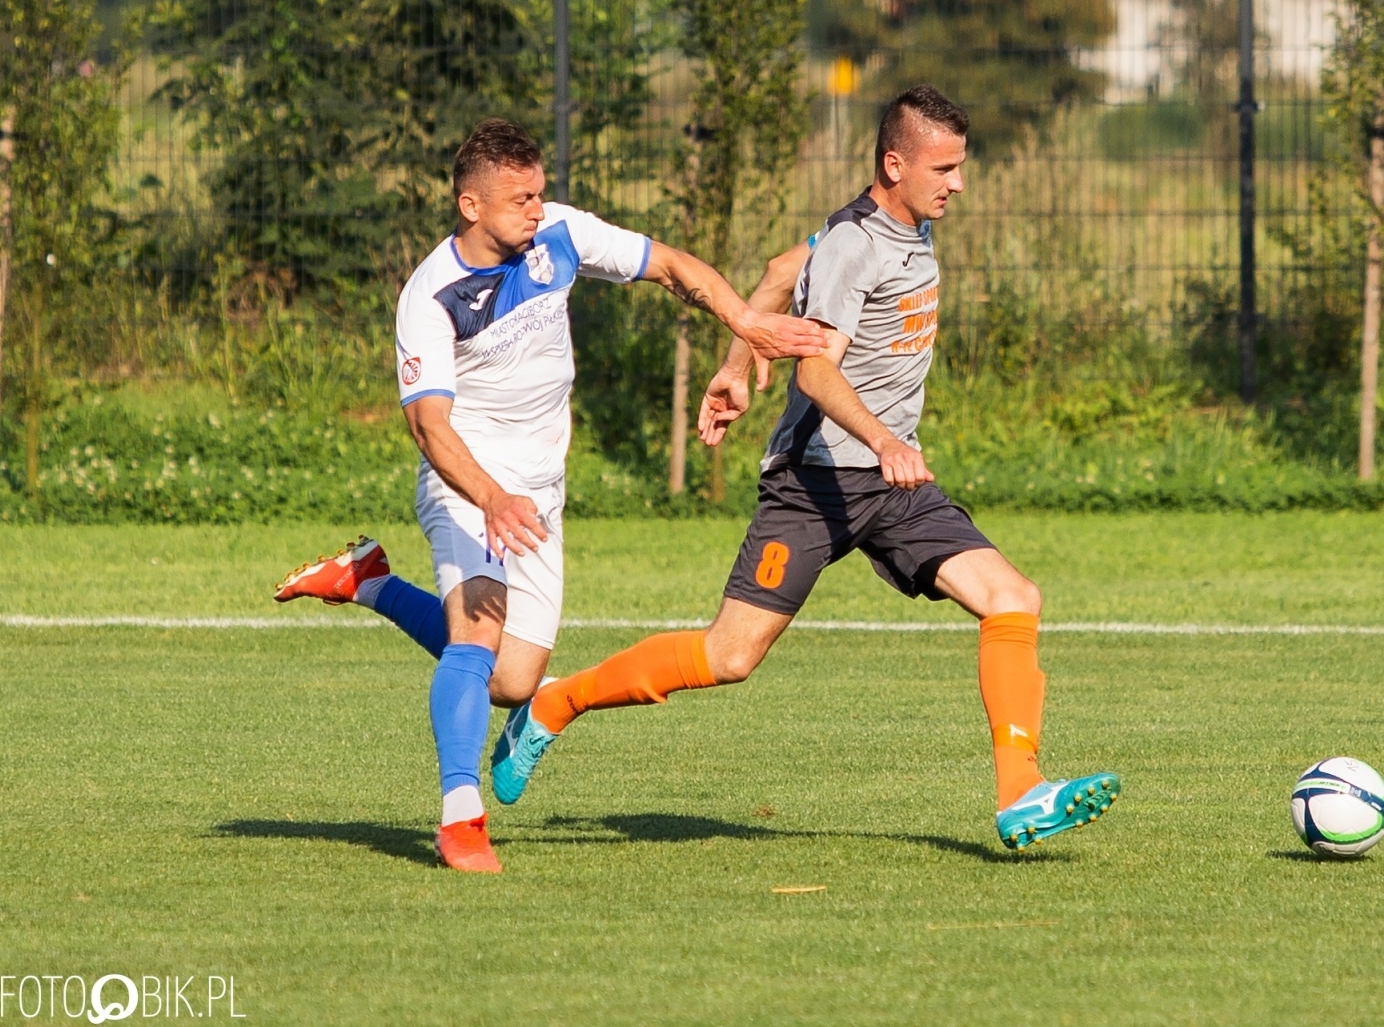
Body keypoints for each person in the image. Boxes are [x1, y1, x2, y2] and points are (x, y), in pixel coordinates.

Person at [492, 85, 1121, 852]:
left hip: (892, 485)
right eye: (944, 168)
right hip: (816, 482)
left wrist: (735, 365)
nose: (958, 183)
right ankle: (554, 704)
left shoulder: (896, 226)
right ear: (896, 164)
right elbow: (817, 373)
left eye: (960, 167)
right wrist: (884, 440)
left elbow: (779, 269)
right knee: (728, 656)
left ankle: (1021, 790)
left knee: (1013, 597)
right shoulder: (856, 244)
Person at [272, 118, 825, 873]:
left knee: (514, 680)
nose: (537, 209)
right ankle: (460, 817)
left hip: (538, 492)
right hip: (468, 480)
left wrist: (745, 320)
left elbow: (667, 265)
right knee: (476, 637)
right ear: (470, 205)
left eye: (539, 193)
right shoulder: (431, 296)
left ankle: (370, 580)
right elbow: (429, 426)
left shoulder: (559, 233)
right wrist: (491, 497)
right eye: (520, 199)